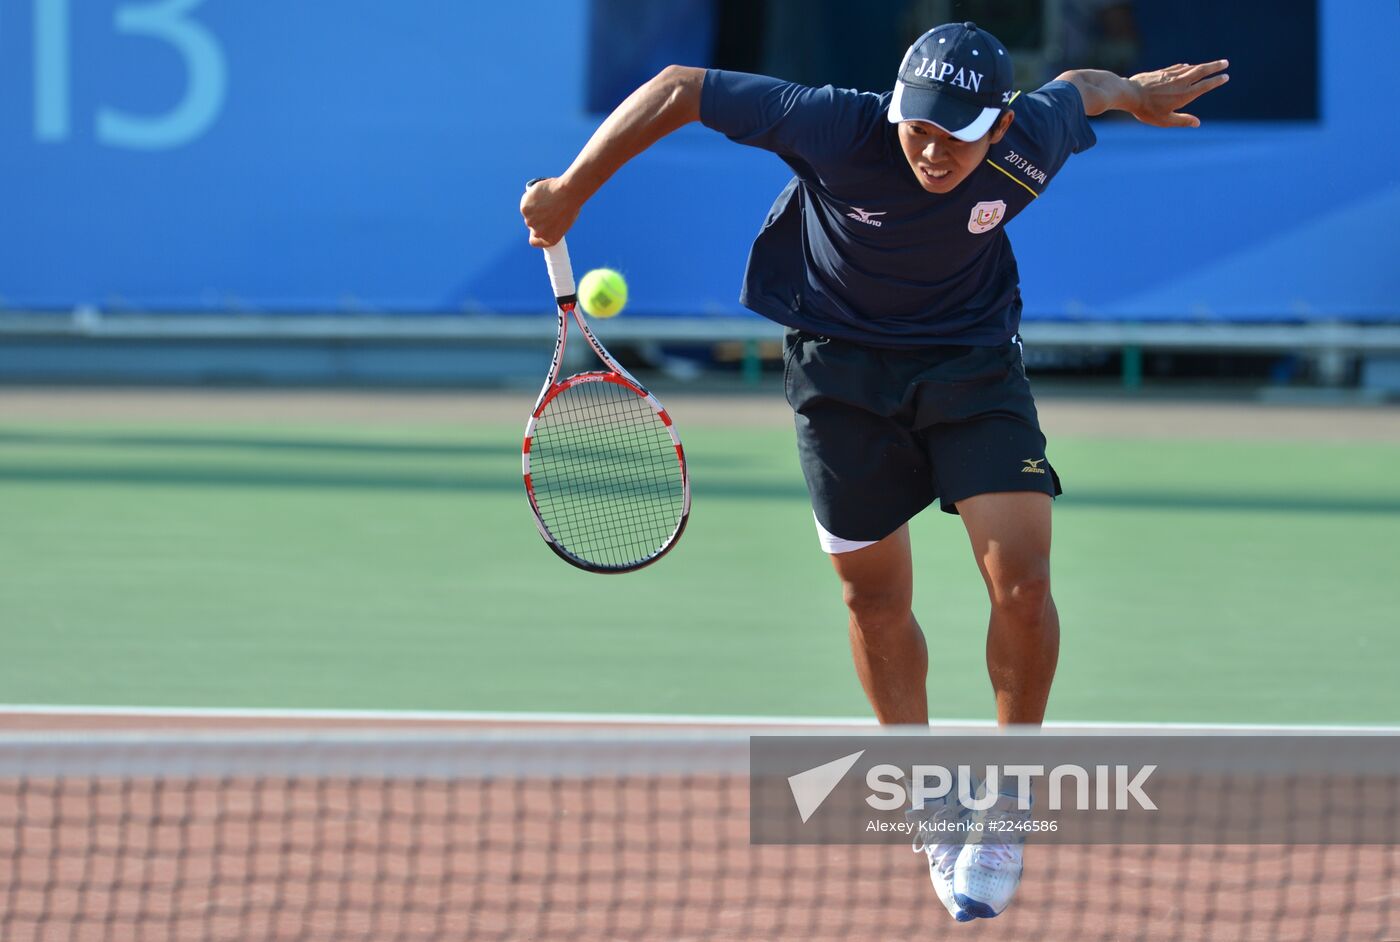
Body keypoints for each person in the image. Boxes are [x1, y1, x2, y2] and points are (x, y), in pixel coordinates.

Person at [521, 21, 1228, 922]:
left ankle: (1008, 801)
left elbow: (1079, 87)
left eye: (955, 134)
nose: (931, 150)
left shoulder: (1033, 141)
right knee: (872, 597)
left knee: (1020, 582)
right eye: (918, 127)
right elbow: (677, 86)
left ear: (1000, 128)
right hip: (839, 374)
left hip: (972, 367)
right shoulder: (839, 128)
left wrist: (1133, 91)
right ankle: (928, 798)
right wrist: (574, 191)